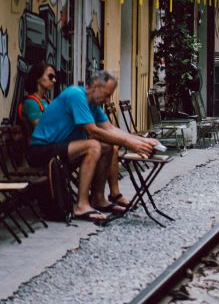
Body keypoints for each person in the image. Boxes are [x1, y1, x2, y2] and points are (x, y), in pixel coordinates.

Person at [29, 70, 158, 224]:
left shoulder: (94, 105)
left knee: (107, 146)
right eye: (107, 94)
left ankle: (98, 198)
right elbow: (93, 131)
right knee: (93, 145)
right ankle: (81, 205)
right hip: (41, 151)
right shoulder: (76, 95)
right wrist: (131, 144)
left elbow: (110, 128)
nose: (108, 99)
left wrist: (141, 141)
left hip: (60, 150)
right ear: (95, 86)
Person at [18, 60, 56, 144]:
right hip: (39, 148)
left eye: (54, 77)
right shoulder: (31, 103)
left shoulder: (47, 101)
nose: (54, 80)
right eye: (50, 76)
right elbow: (42, 131)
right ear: (38, 78)